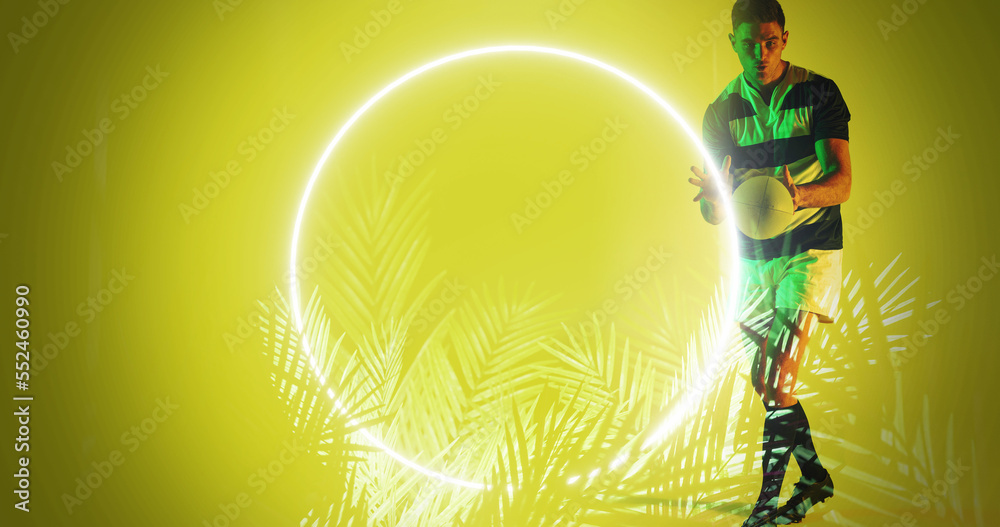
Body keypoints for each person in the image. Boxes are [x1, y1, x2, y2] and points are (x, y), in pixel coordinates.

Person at [686, 0, 852, 525]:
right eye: (749, 43)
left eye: (771, 41)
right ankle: (816, 478)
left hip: (809, 248)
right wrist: (714, 197)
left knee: (777, 382)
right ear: (732, 42)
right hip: (753, 260)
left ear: (785, 37)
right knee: (768, 384)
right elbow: (715, 214)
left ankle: (767, 510)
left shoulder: (819, 91)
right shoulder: (720, 113)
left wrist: (794, 196)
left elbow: (842, 181)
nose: (760, 52)